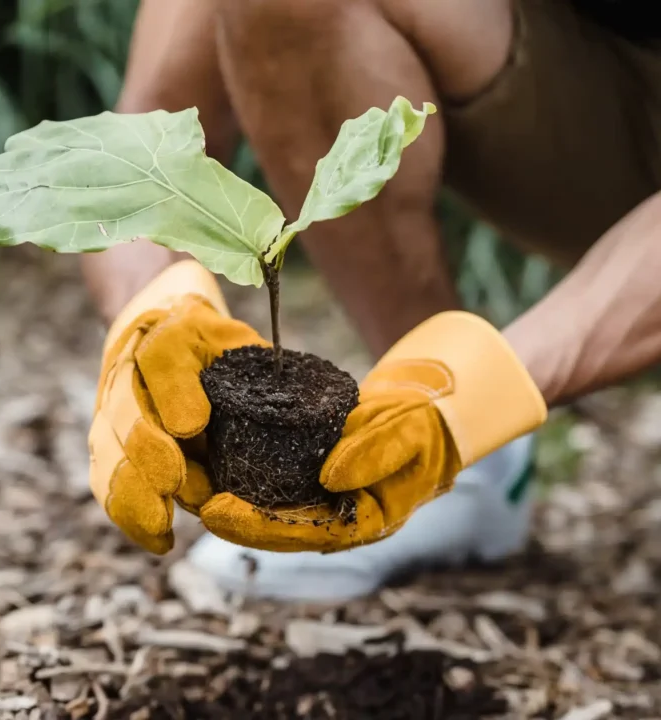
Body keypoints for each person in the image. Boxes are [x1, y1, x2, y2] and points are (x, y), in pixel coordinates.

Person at [83, 0, 661, 602]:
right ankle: (448, 470)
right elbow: (141, 147)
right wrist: (150, 308)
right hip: (584, 111)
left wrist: (482, 387)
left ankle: (454, 445)